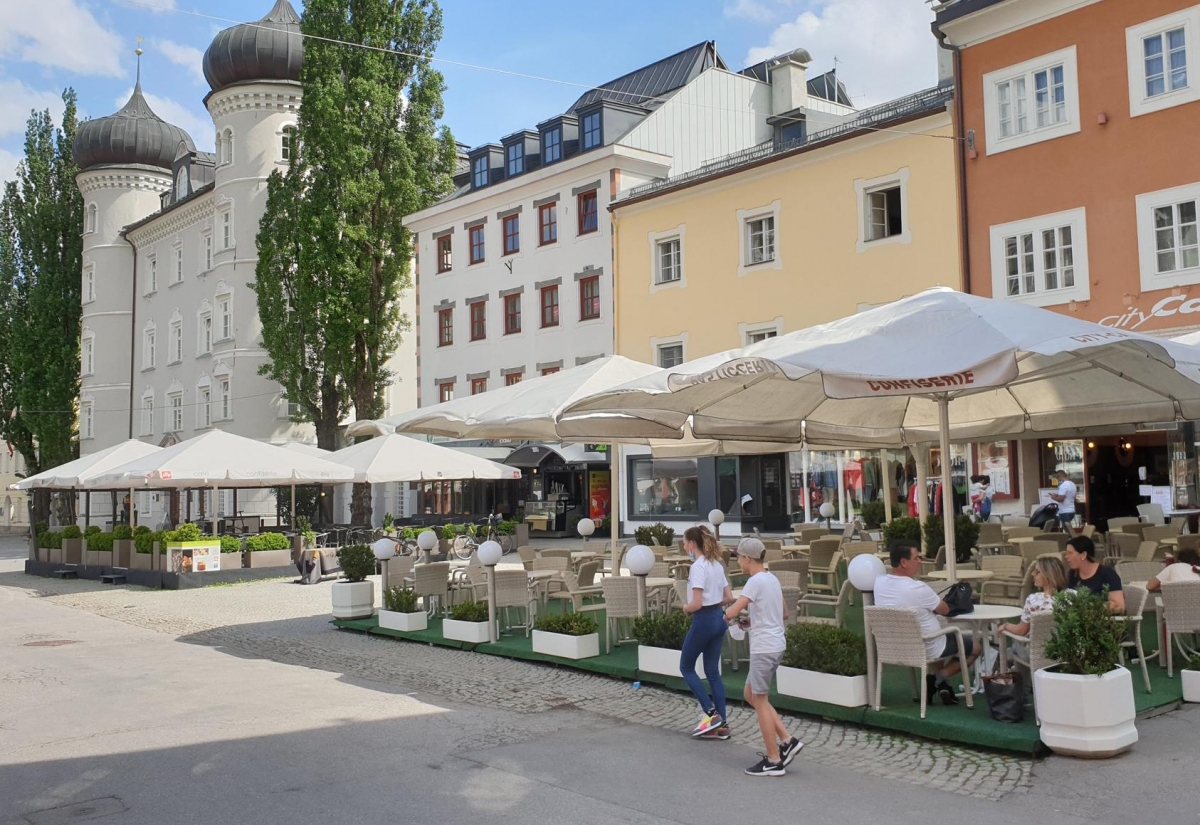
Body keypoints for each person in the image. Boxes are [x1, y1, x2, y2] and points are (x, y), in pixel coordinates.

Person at [723, 537, 802, 777]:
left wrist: (728, 612)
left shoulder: (754, 582)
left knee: (760, 700)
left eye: (739, 556)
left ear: (748, 559)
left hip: (764, 648)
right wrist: (754, 620)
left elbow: (732, 612)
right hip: (775, 643)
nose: (738, 560)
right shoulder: (771, 579)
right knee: (751, 695)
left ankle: (773, 759)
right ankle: (787, 741)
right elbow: (784, 613)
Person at [874, 540, 978, 705]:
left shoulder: (878, 583)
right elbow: (944, 610)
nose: (920, 561)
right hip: (927, 645)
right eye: (916, 558)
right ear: (903, 562)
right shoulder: (918, 588)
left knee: (933, 633)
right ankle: (937, 679)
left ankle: (943, 685)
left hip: (894, 646)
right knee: (975, 647)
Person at [678, 524, 733, 740]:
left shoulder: (698, 567)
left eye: (684, 543)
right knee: (712, 672)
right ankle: (723, 724)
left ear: (692, 544)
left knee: (686, 667)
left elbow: (696, 603)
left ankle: (711, 713)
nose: (684, 547)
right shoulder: (716, 564)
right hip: (719, 618)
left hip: (703, 620)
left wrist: (685, 607)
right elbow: (728, 597)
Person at [997, 556, 1070, 639]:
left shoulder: (1033, 600)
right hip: (1066, 648)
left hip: (1037, 649)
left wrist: (1006, 625)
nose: (1032, 574)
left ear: (1048, 576)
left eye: (1037, 572)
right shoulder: (1072, 596)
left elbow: (1021, 631)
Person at [1064, 535, 1124, 612]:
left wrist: (1094, 608)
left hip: (1104, 620)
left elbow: (1119, 606)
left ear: (1083, 555)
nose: (1066, 556)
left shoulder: (1107, 574)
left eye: (1070, 553)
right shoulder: (1073, 574)